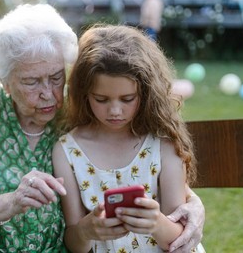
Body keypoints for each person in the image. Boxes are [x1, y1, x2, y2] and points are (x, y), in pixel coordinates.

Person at [0, 4, 204, 252]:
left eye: (56, 77)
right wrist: (10, 202)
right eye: (32, 82)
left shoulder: (86, 107)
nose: (49, 94)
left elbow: (143, 164)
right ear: (4, 81)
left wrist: (193, 205)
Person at [52, 24, 205, 252]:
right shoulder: (68, 151)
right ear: (84, 94)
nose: (115, 111)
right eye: (101, 99)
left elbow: (181, 240)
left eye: (127, 99)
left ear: (146, 93)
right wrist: (86, 230)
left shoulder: (162, 142)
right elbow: (75, 243)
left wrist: (156, 223)